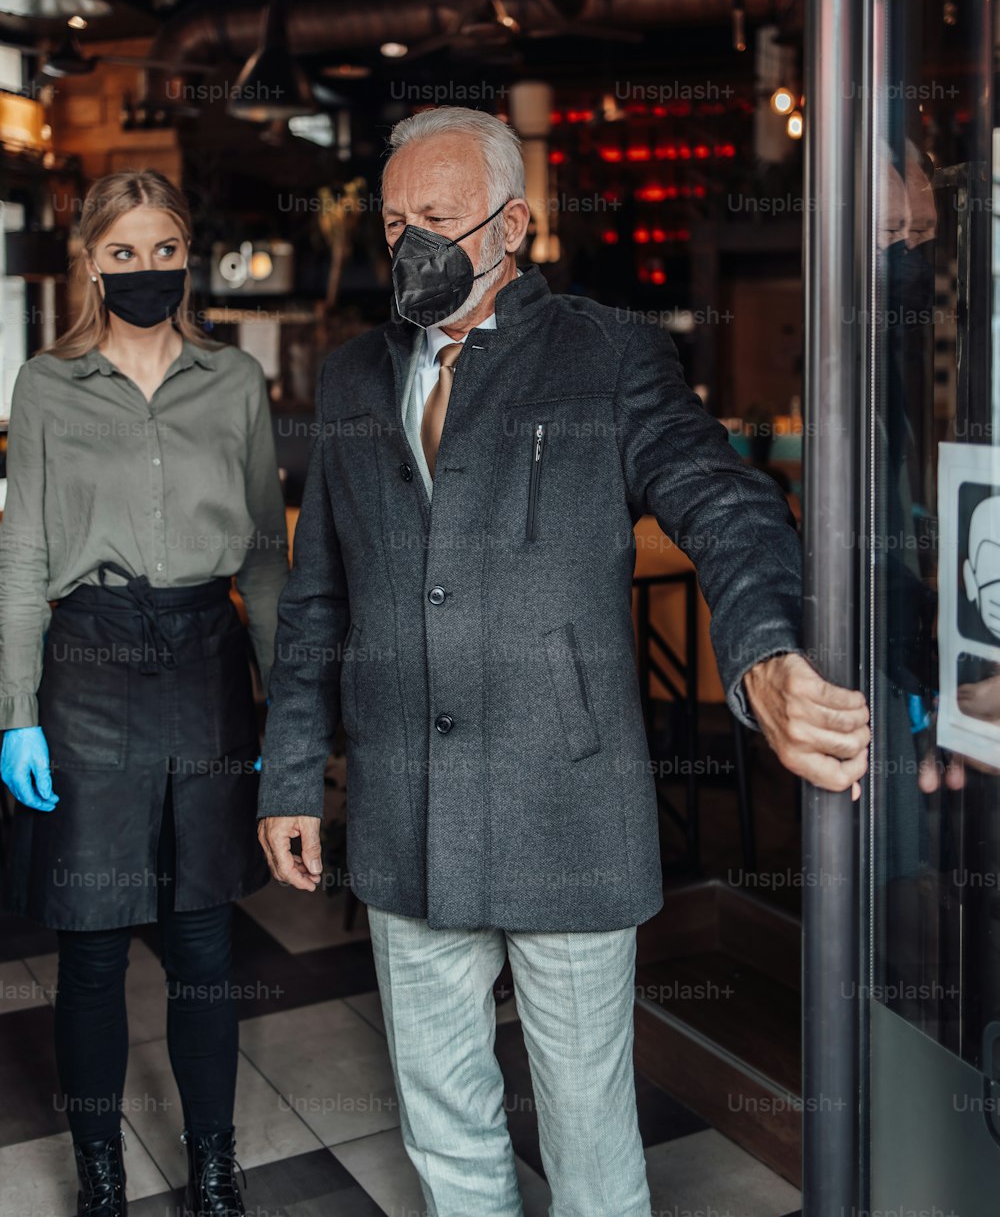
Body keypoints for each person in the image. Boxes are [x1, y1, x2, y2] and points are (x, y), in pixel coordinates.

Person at [257, 107, 871, 1217]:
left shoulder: (607, 353)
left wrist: (765, 650)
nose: (410, 246)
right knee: (444, 1124)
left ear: (513, 227)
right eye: (394, 221)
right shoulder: (351, 381)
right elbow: (318, 599)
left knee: (588, 1135)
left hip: (565, 804)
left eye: (436, 220)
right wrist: (293, 771)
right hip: (403, 806)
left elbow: (724, 502)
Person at [0, 169, 288, 1217]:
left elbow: (263, 557)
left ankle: (214, 1168)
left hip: (206, 656)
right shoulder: (44, 386)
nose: (144, 269)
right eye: (121, 252)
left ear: (188, 255)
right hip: (87, 663)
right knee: (91, 944)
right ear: (88, 262)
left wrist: (281, 709)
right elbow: (23, 551)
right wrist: (15, 712)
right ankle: (100, 1173)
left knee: (206, 939)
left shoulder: (233, 382)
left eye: (162, 247)